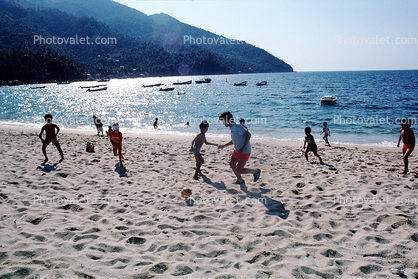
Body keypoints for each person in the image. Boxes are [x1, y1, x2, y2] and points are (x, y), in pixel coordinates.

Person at [218, 111, 261, 184]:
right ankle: (240, 180)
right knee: (232, 164)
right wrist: (223, 145)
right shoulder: (232, 127)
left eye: (224, 121)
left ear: (228, 120)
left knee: (239, 170)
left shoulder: (237, 126)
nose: (223, 123)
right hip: (237, 150)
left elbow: (248, 135)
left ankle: (255, 171)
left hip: (245, 151)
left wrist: (243, 148)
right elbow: (234, 140)